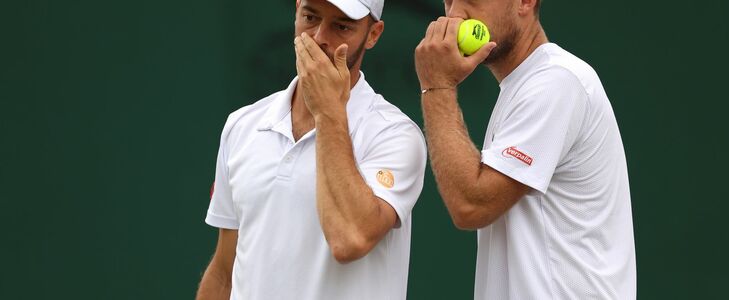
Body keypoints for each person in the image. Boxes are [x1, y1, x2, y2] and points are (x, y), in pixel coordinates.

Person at [196, 0, 426, 299]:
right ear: (295, 13)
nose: (318, 38)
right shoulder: (242, 125)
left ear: (373, 34)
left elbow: (349, 239)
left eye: (341, 26)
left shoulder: (394, 134)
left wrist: (328, 112)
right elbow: (225, 272)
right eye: (309, 17)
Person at [414, 0, 636, 299]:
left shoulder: (556, 81)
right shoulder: (528, 84)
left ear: (525, 2)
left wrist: (437, 86)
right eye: (450, 1)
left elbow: (471, 205)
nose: (454, 15)